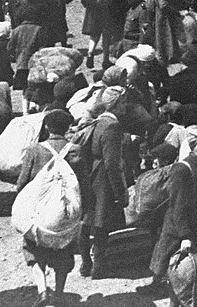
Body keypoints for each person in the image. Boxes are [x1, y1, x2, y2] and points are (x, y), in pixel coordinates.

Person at [142, 128, 197, 297]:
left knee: (191, 260)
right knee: (166, 255)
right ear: (192, 147)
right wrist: (184, 233)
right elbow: (177, 203)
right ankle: (159, 284)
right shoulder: (181, 169)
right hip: (179, 220)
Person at [15, 109, 80, 307]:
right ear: (68, 127)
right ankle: (59, 294)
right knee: (64, 249)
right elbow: (82, 182)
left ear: (46, 127)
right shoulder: (76, 149)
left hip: (39, 210)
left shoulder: (35, 149)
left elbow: (21, 183)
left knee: (34, 247)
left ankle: (43, 290)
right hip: (66, 211)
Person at [78, 86, 129, 279]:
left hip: (90, 175)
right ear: (115, 104)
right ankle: (98, 266)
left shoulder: (98, 121)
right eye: (123, 102)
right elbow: (112, 164)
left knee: (87, 220)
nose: (125, 106)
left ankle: (85, 264)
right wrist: (119, 192)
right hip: (103, 180)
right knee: (101, 224)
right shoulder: (112, 126)